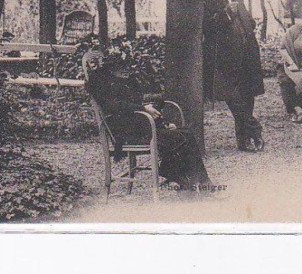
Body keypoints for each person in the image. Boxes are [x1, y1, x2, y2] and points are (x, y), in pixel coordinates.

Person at [85, 52, 211, 190]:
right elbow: (115, 106)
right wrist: (144, 109)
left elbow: (136, 103)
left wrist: (162, 122)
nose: (125, 71)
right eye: (121, 68)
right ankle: (190, 181)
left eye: (125, 67)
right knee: (180, 137)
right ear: (109, 68)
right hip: (125, 133)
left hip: (138, 126)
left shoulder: (123, 80)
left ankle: (193, 181)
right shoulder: (99, 83)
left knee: (186, 133)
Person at [203, 0, 265, 152]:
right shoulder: (207, 4)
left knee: (247, 99)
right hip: (224, 64)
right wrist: (227, 14)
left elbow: (250, 24)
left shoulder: (239, 2)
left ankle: (244, 141)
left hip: (246, 60)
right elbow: (207, 28)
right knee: (234, 100)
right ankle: (255, 130)